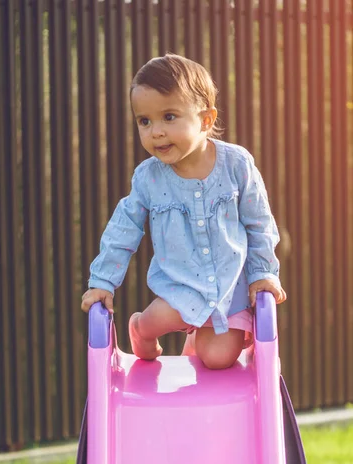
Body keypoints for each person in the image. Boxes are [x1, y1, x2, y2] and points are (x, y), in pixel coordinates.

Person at [81, 53, 286, 369]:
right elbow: (123, 229)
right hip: (179, 287)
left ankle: (199, 335)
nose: (156, 132)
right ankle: (139, 328)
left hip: (228, 290)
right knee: (158, 318)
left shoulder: (237, 165)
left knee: (218, 358)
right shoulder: (149, 177)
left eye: (169, 117)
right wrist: (102, 282)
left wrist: (263, 273)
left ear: (205, 119)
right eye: (144, 121)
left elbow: (259, 223)